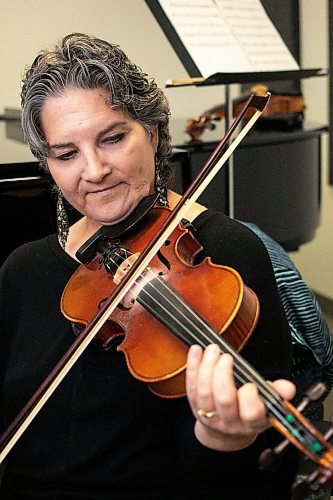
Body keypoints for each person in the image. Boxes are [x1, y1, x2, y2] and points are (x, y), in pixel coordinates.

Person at [0, 33, 305, 500]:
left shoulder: (223, 255)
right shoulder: (23, 270)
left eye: (114, 138)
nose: (95, 169)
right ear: (48, 164)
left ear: (155, 132)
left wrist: (221, 437)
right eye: (66, 155)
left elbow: (263, 475)